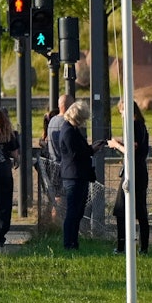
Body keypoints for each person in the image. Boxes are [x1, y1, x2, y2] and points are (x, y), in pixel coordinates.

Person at [59, 101, 105, 251]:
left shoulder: (72, 130)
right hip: (74, 176)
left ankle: (73, 242)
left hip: (78, 175)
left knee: (78, 211)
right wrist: (91, 150)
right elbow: (75, 154)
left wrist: (91, 149)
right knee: (73, 211)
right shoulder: (68, 131)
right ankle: (69, 243)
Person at [109, 101, 150, 255]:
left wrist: (115, 145)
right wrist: (122, 143)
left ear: (126, 110)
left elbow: (131, 150)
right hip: (141, 171)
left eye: (121, 112)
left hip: (133, 172)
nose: (121, 115)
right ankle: (144, 247)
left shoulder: (133, 125)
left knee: (121, 210)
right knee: (140, 210)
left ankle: (121, 247)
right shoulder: (142, 125)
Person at [0, 108, 21, 247]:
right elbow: (15, 153)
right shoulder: (8, 134)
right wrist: (16, 160)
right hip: (4, 170)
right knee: (4, 203)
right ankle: (1, 232)